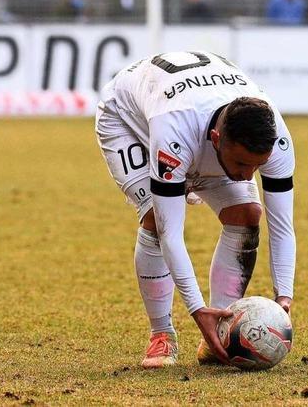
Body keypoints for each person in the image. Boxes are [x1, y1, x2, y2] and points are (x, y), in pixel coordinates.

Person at [95, 51, 296, 368]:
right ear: (217, 139)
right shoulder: (174, 130)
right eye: (243, 164)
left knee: (247, 214)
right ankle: (162, 335)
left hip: (191, 120)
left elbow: (282, 226)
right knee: (154, 219)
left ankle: (220, 332)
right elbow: (170, 232)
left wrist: (284, 294)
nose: (248, 175)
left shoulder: (277, 138)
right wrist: (196, 307)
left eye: (258, 166)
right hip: (128, 122)